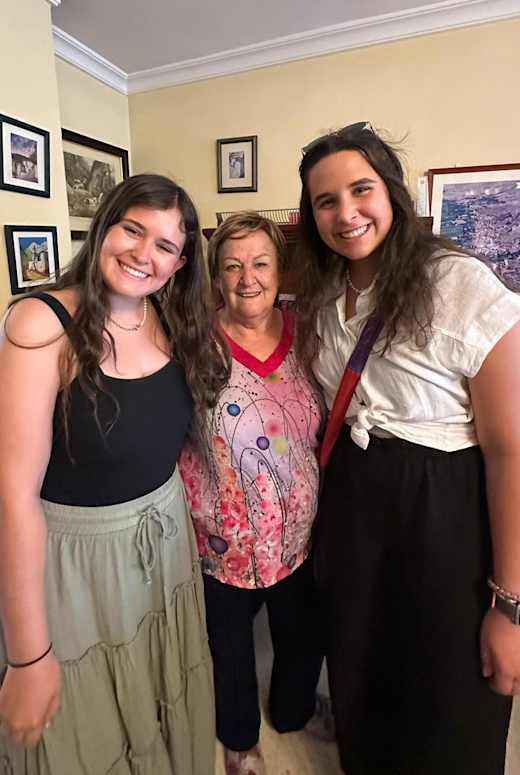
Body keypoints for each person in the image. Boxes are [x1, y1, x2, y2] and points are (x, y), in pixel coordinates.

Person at [295, 122, 520, 775]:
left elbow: (510, 452)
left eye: (360, 189)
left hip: (442, 504)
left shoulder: (460, 284)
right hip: (355, 502)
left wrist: (509, 605)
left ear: (392, 191)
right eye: (325, 201)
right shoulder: (326, 294)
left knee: (448, 683)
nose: (345, 213)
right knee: (363, 666)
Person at [0, 173, 229, 774]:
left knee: (163, 698)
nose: (143, 254)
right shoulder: (42, 323)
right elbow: (13, 495)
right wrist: (28, 658)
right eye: (133, 229)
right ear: (104, 226)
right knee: (88, 727)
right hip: (78, 565)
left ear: (181, 263)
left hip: (165, 546)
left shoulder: (169, 318)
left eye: (165, 245)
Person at [179, 211, 325, 775]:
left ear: (278, 268)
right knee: (230, 651)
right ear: (216, 276)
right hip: (221, 542)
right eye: (232, 265)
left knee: (302, 638)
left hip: (300, 535)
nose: (248, 278)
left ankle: (295, 712)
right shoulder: (190, 343)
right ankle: (238, 738)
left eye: (260, 263)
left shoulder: (308, 329)